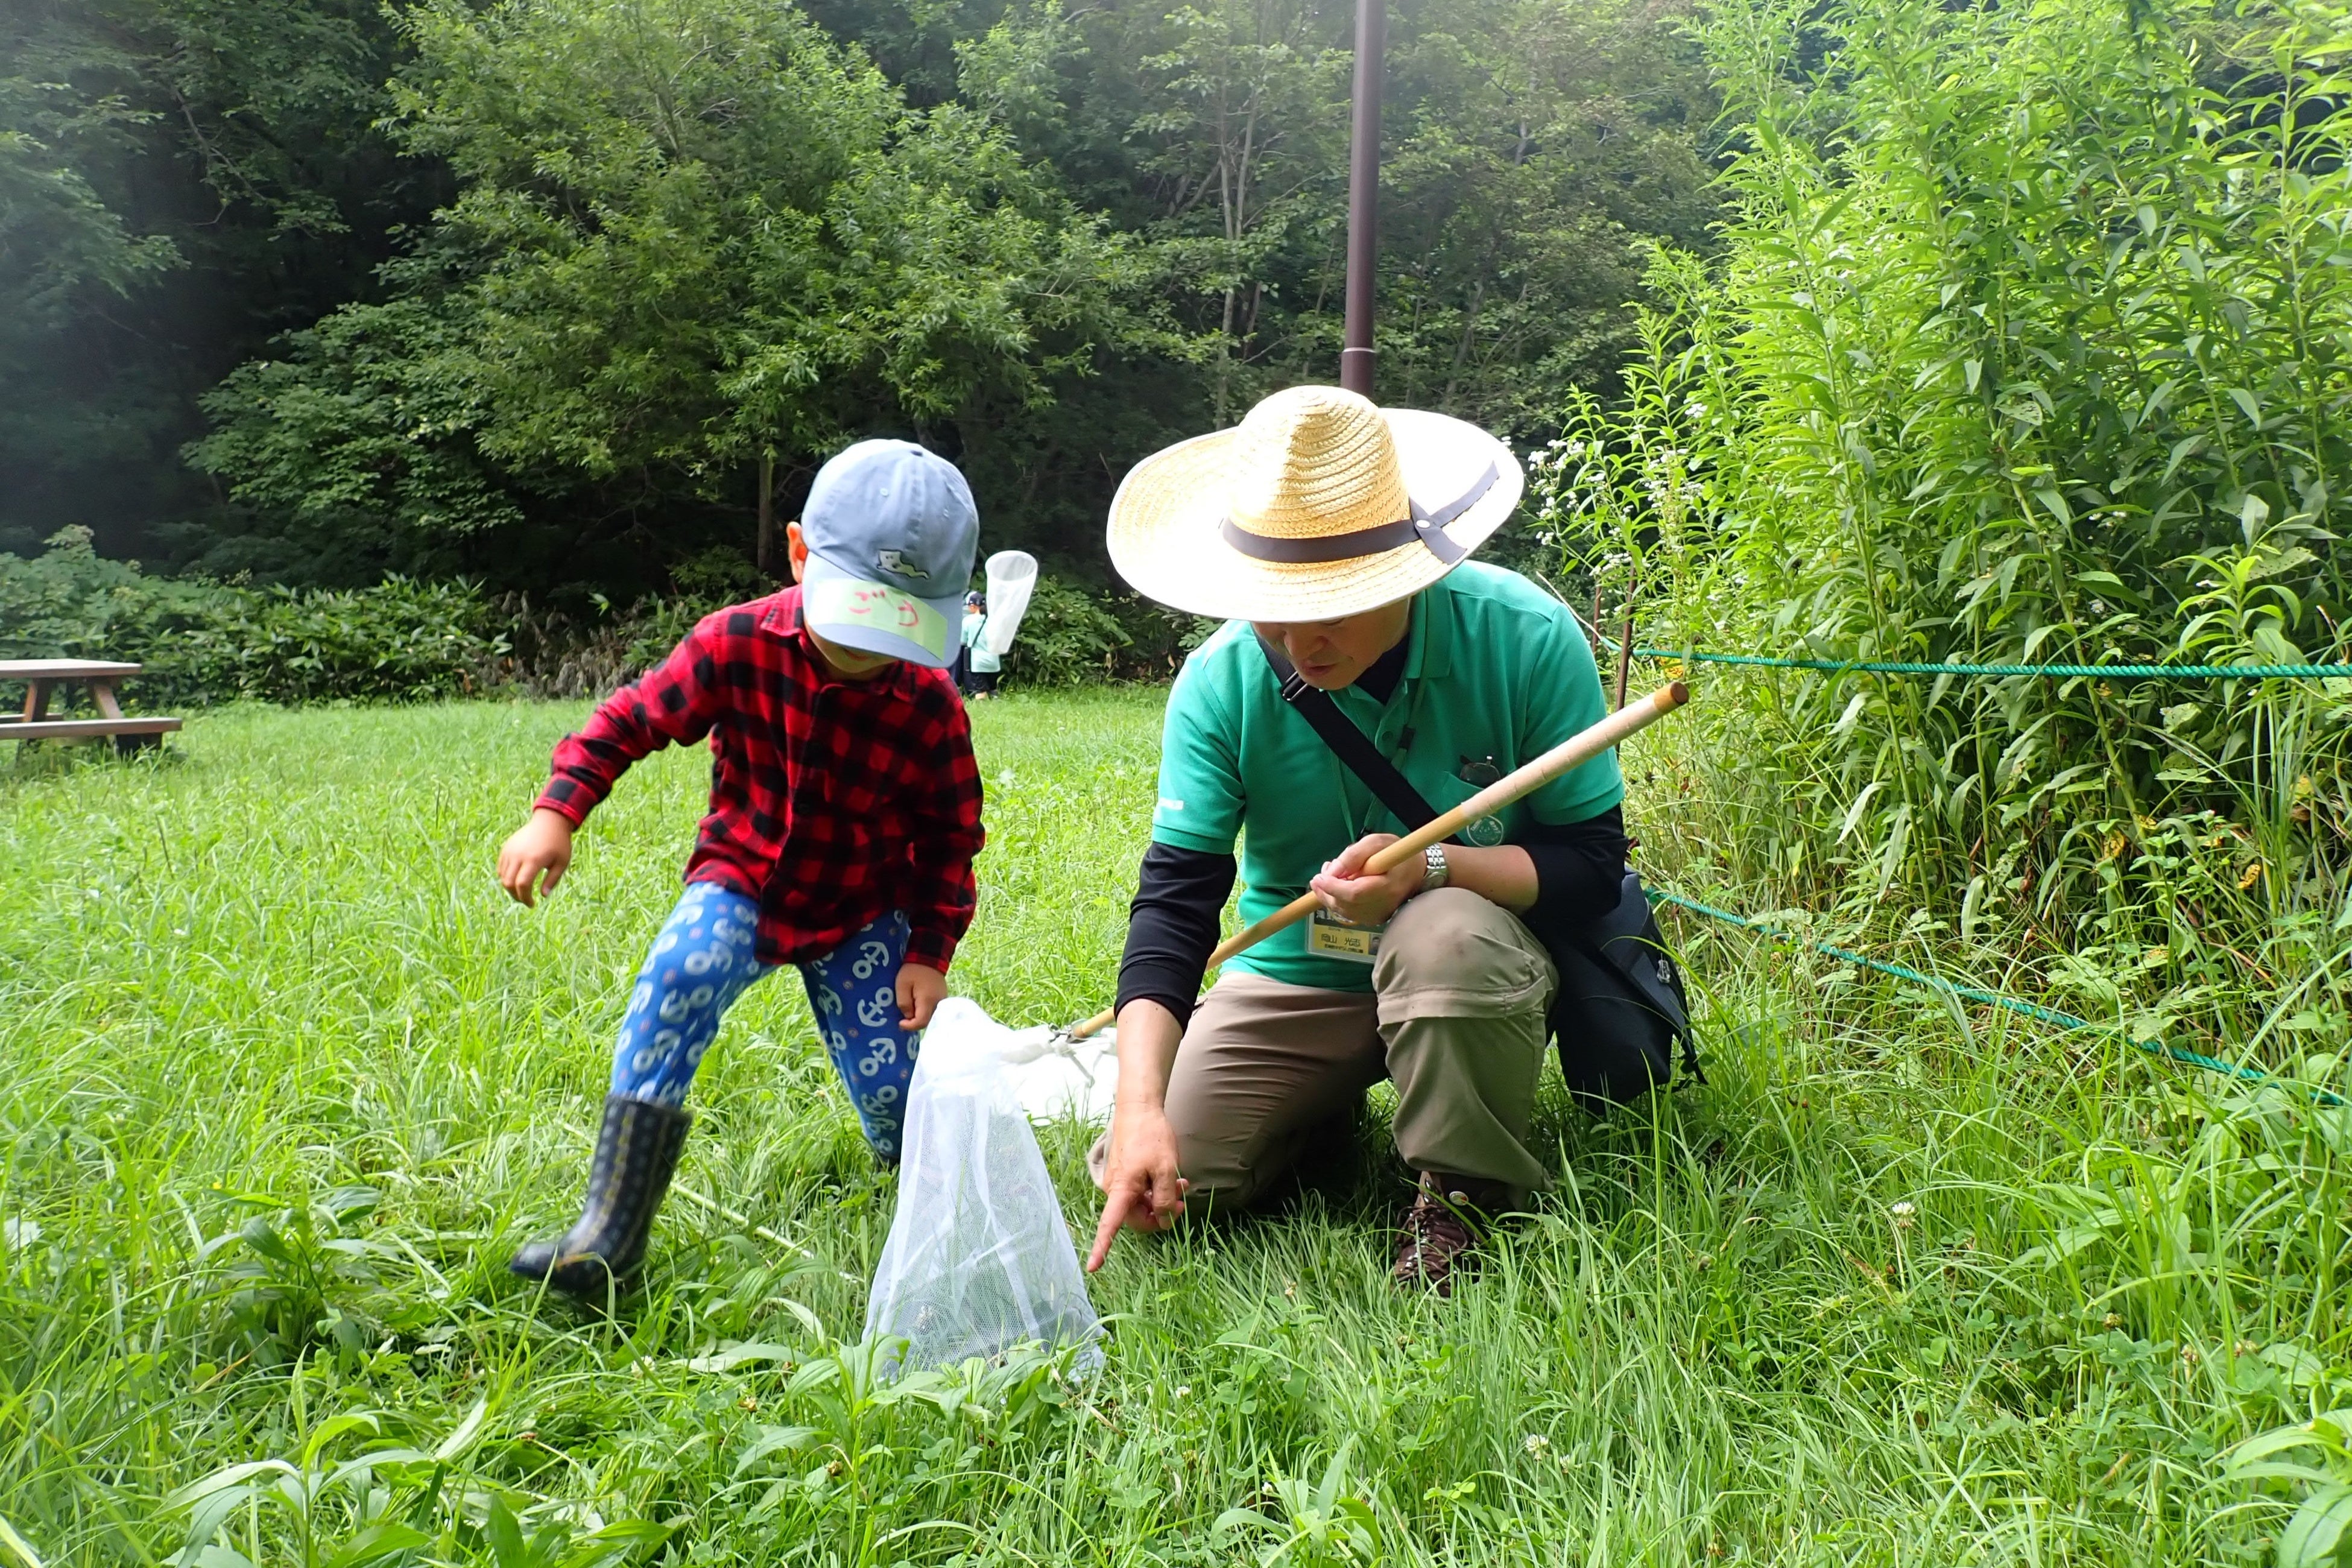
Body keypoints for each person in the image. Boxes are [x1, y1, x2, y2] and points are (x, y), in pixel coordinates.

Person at [1087, 385, 1631, 1294]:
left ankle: (1464, 1193)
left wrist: (1432, 869)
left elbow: (1591, 869)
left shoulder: (1526, 639)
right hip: (1298, 970)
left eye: (1332, 603)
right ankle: (1319, 1110)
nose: (1301, 639)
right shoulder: (1220, 682)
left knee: (1442, 932)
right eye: (1271, 602)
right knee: (1178, 1187)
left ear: (1409, 572)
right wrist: (1140, 1105)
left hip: (1473, 963)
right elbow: (1175, 907)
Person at [496, 439, 986, 1297]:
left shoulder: (930, 704)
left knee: (891, 1082)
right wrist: (556, 812)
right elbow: (630, 720)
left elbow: (952, 836)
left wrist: (928, 951)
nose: (872, 651)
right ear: (799, 553)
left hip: (862, 909)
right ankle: (610, 1228)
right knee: (675, 978)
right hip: (743, 881)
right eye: (858, 615)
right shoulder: (735, 644)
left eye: (901, 626)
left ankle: (930, 1206)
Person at [961, 591, 1002, 698]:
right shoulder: (993, 621)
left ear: (973, 606)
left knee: (980, 691)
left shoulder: (968, 621)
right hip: (994, 663)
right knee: (994, 690)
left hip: (978, 664)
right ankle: (997, 707)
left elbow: (963, 641)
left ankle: (983, 711)